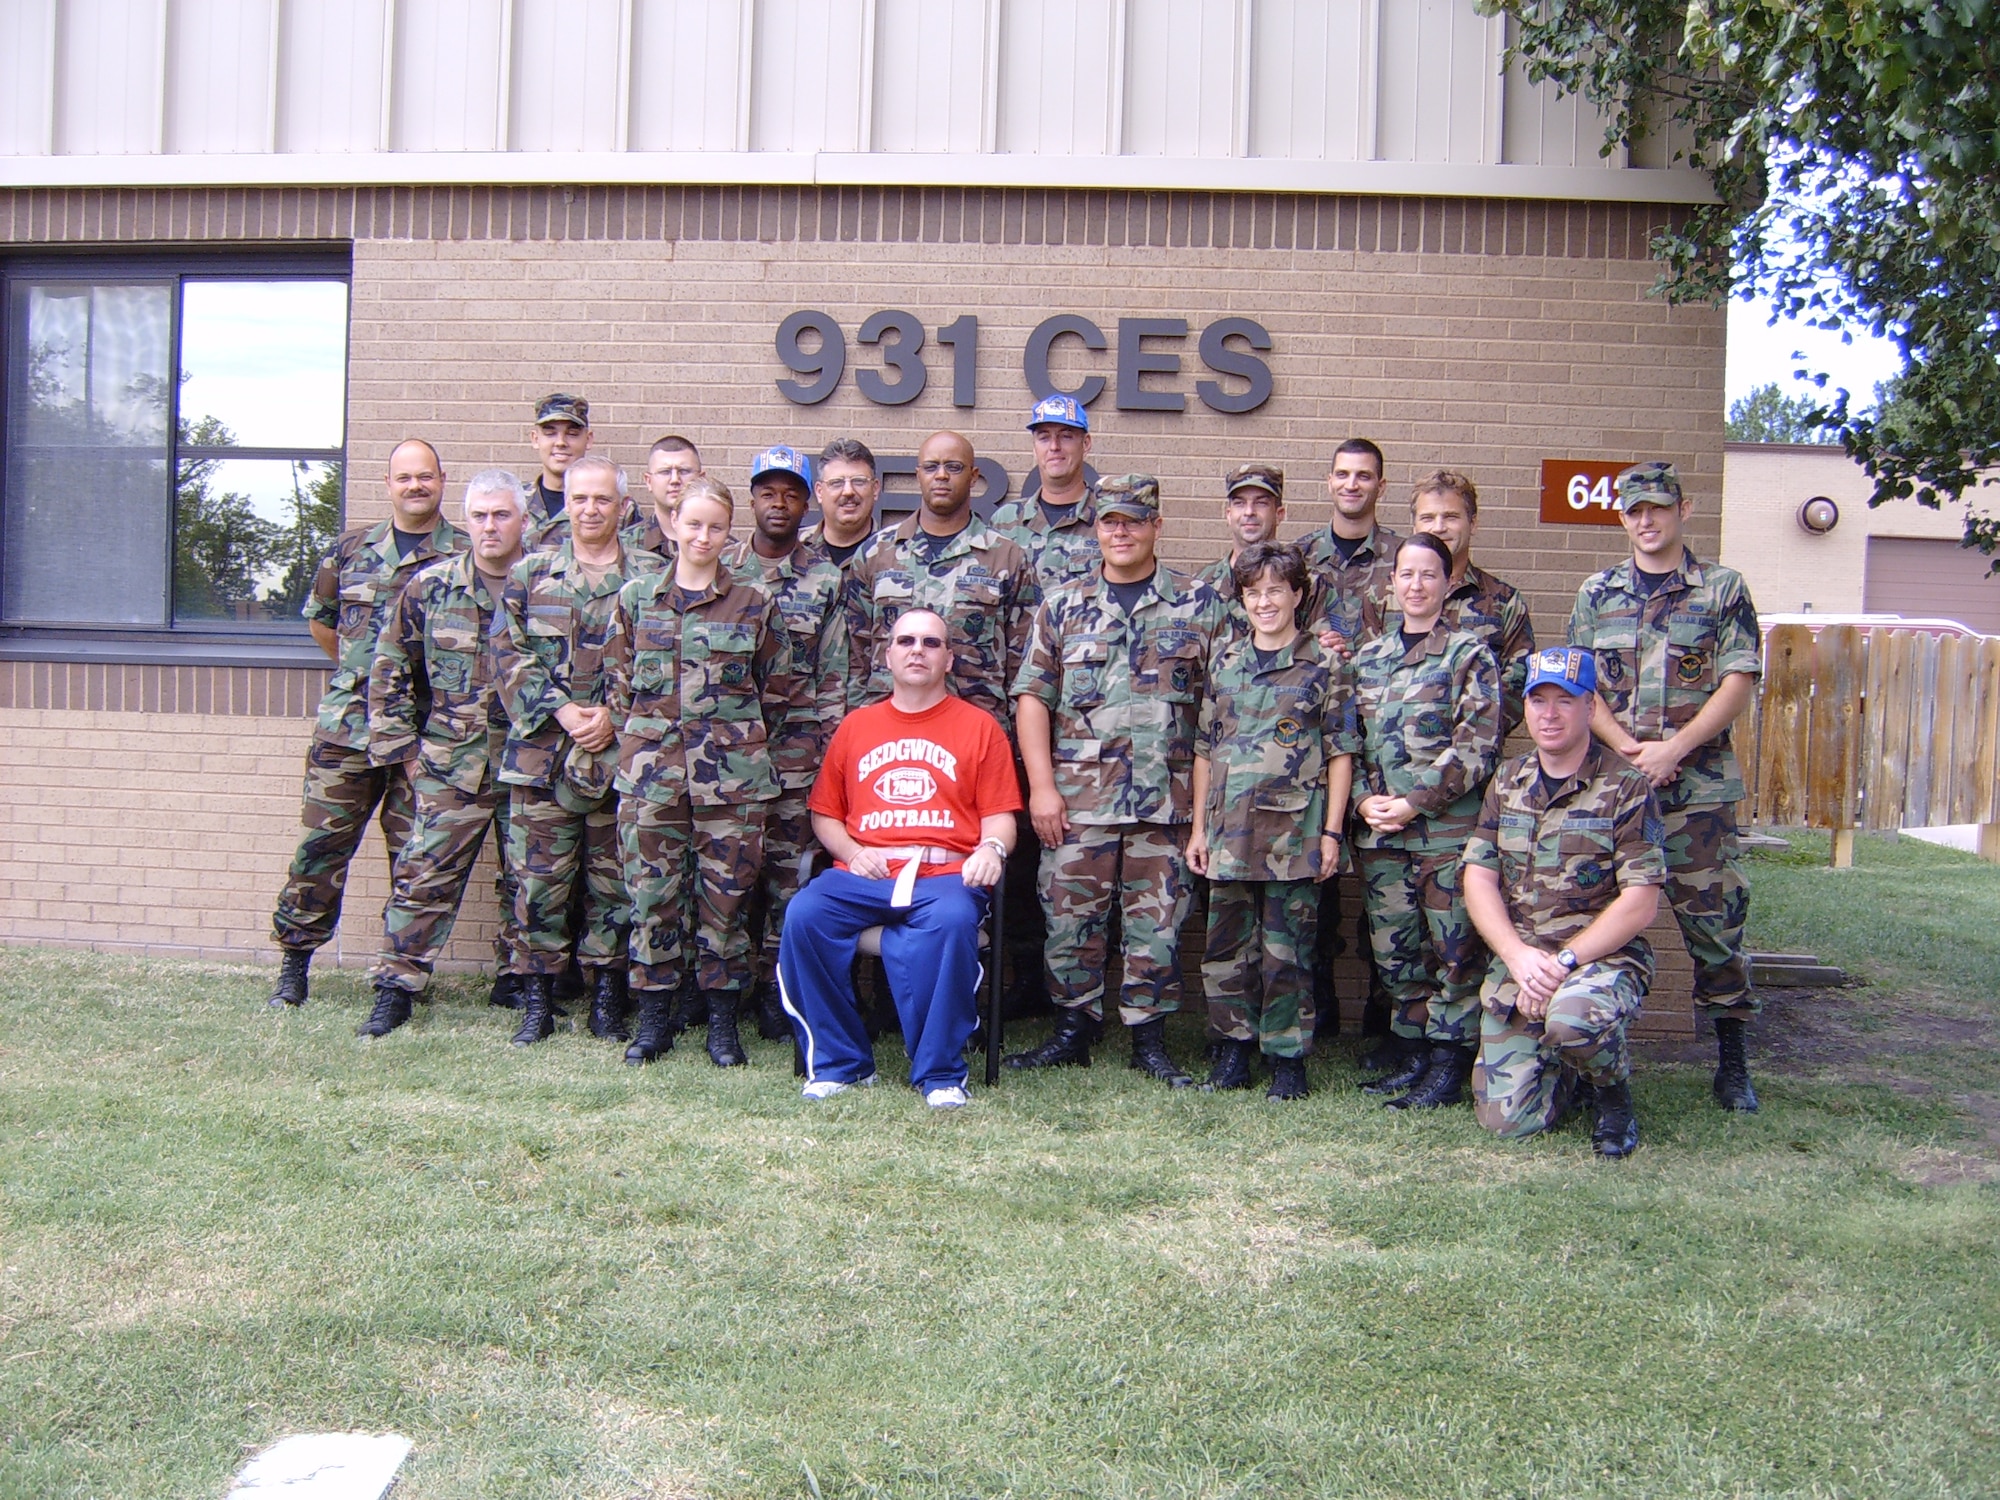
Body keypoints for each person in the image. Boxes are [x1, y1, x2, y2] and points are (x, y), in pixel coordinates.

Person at [1006, 475, 1226, 1086]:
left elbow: (1221, 704)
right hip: (1080, 802)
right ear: (1096, 527)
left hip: (1167, 801)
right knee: (1069, 920)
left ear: (1157, 524)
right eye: (1109, 521)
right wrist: (1041, 788)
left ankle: (1148, 1040)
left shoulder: (1199, 604)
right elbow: (1033, 699)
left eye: (1133, 520)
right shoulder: (1064, 603)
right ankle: (1072, 1031)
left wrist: (1206, 813)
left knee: (1156, 927)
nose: (1120, 531)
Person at [1568, 460, 1764, 1112]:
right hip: (1620, 792)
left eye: (1657, 507)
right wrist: (1629, 751)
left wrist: (1675, 749)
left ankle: (1732, 1062)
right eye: (1634, 511)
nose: (1646, 521)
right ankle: (1592, 1058)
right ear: (1621, 518)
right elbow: (1580, 686)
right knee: (1597, 919)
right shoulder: (1598, 593)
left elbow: (1738, 680)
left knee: (1715, 926)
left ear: (1683, 509)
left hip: (1697, 792)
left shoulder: (1720, 590)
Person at [779, 609, 1022, 1108]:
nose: (918, 650)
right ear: (887, 655)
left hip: (945, 872)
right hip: (867, 871)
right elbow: (825, 815)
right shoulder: (856, 727)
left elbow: (1001, 817)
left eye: (931, 643)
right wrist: (851, 851)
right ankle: (839, 1064)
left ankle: (940, 1074)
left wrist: (991, 850)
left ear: (948, 659)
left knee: (953, 921)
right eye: (906, 640)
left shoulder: (979, 728)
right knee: (804, 915)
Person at [266, 438, 465, 1009]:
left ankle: (400, 977)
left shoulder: (464, 554)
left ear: (442, 480)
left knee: (417, 857)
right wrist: (368, 678)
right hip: (347, 731)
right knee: (322, 848)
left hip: (424, 734)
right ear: (388, 484)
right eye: (404, 477)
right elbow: (324, 627)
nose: (415, 486)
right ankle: (294, 962)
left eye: (425, 476)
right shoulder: (349, 551)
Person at [606, 475, 787, 1068]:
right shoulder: (636, 599)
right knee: (652, 897)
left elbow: (776, 688)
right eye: (692, 524)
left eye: (714, 526)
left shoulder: (755, 603)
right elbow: (619, 686)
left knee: (726, 902)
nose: (703, 536)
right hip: (653, 777)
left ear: (727, 531)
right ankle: (654, 1019)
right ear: (673, 525)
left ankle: (721, 1024)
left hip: (731, 783)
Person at [1463, 647, 1667, 1156]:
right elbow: (1479, 878)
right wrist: (1517, 957)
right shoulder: (1508, 782)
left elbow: (1641, 902)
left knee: (1573, 1021)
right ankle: (1567, 1070)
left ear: (1591, 708)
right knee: (1507, 1122)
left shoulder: (1626, 788)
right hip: (1525, 962)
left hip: (1597, 960)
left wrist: (1561, 963)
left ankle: (1612, 1100)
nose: (1548, 715)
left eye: (1564, 701)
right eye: (1538, 701)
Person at [495, 454, 664, 1047]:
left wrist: (615, 718)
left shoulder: (651, 575)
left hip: (622, 758)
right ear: (565, 502)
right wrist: (564, 711)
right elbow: (508, 654)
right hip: (543, 756)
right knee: (539, 884)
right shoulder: (530, 574)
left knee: (616, 884)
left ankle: (606, 999)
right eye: (580, 498)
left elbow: (665, 657)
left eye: (603, 500)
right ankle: (537, 1000)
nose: (590, 509)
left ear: (622, 506)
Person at [359, 469, 532, 1035]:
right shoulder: (432, 587)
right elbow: (389, 668)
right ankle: (397, 984)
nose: (490, 526)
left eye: (502, 514)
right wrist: (404, 751)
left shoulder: (546, 585)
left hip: (528, 761)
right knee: (424, 874)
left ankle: (518, 983)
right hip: (450, 764)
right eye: (480, 515)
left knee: (529, 879)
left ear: (522, 520)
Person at [1187, 542, 1358, 1100]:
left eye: (1275, 591)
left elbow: (1340, 750)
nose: (1265, 602)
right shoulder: (1227, 661)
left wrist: (1332, 832)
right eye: (1253, 592)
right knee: (1226, 949)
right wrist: (1197, 830)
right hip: (1228, 831)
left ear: (1297, 594)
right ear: (1242, 599)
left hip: (1295, 833)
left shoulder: (1325, 663)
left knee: (1287, 952)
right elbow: (1206, 750)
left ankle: (1287, 1059)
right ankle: (1232, 1050)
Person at [1350, 531, 1503, 1110]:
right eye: (1406, 575)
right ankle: (1413, 1054)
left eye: (1428, 575)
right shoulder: (1369, 660)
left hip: (1443, 834)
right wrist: (1363, 801)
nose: (1416, 585)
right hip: (1382, 835)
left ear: (1446, 585)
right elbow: (1348, 742)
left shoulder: (1469, 655)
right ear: (1391, 586)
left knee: (1454, 951)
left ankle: (1448, 1062)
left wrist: (1414, 801)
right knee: (1396, 951)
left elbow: (1476, 744)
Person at [724, 446, 850, 1042]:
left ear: (808, 502)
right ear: (751, 498)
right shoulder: (717, 566)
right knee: (723, 875)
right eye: (768, 492)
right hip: (719, 757)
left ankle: (777, 992)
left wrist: (831, 757)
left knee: (785, 878)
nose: (779, 504)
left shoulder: (826, 580)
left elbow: (834, 676)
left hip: (796, 757)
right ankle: (719, 989)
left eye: (792, 493)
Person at [1300, 438, 1402, 1050]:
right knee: (1318, 881)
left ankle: (1384, 1020)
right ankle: (1320, 1007)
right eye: (1342, 474)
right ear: (1329, 482)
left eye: (1364, 476)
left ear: (1380, 487)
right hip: (1315, 739)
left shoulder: (1403, 558)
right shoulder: (1301, 557)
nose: (1352, 485)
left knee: (1388, 884)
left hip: (1389, 736)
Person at [844, 430, 1038, 728]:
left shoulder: (1007, 558)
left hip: (976, 732)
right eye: (932, 467)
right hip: (889, 730)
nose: (942, 476)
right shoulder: (875, 554)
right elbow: (855, 657)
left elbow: (1023, 663)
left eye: (954, 467)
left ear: (974, 477)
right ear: (918, 475)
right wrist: (857, 727)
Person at [1379, 471, 1536, 735]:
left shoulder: (1504, 602)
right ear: (1415, 525)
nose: (1439, 527)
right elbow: (1367, 677)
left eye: (1451, 517)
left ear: (1473, 523)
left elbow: (1517, 688)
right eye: (1428, 517)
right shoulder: (1383, 598)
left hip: (1474, 757)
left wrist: (1466, 739)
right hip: (1394, 754)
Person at [988, 394, 1102, 596]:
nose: (1054, 447)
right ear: (1034, 447)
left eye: (1066, 436)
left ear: (1085, 444)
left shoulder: (1107, 519)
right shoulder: (1005, 521)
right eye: (1044, 437)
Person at [1196, 463, 1287, 632]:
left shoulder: (1303, 582)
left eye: (1261, 503)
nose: (1249, 512)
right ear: (1228, 514)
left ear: (1279, 514)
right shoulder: (1202, 585)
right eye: (1240, 503)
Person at [523, 393, 597, 549]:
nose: (561, 442)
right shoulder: (514, 502)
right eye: (550, 433)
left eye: (572, 434)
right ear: (535, 439)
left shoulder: (612, 506)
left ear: (588, 439)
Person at [801, 438, 882, 572]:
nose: (848, 491)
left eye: (859, 481)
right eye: (836, 482)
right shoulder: (792, 547)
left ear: (875, 489)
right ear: (819, 492)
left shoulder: (897, 554)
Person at [625, 435, 703, 561]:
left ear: (701, 479)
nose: (675, 480)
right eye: (665, 472)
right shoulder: (624, 546)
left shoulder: (723, 548)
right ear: (648, 481)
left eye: (684, 471)